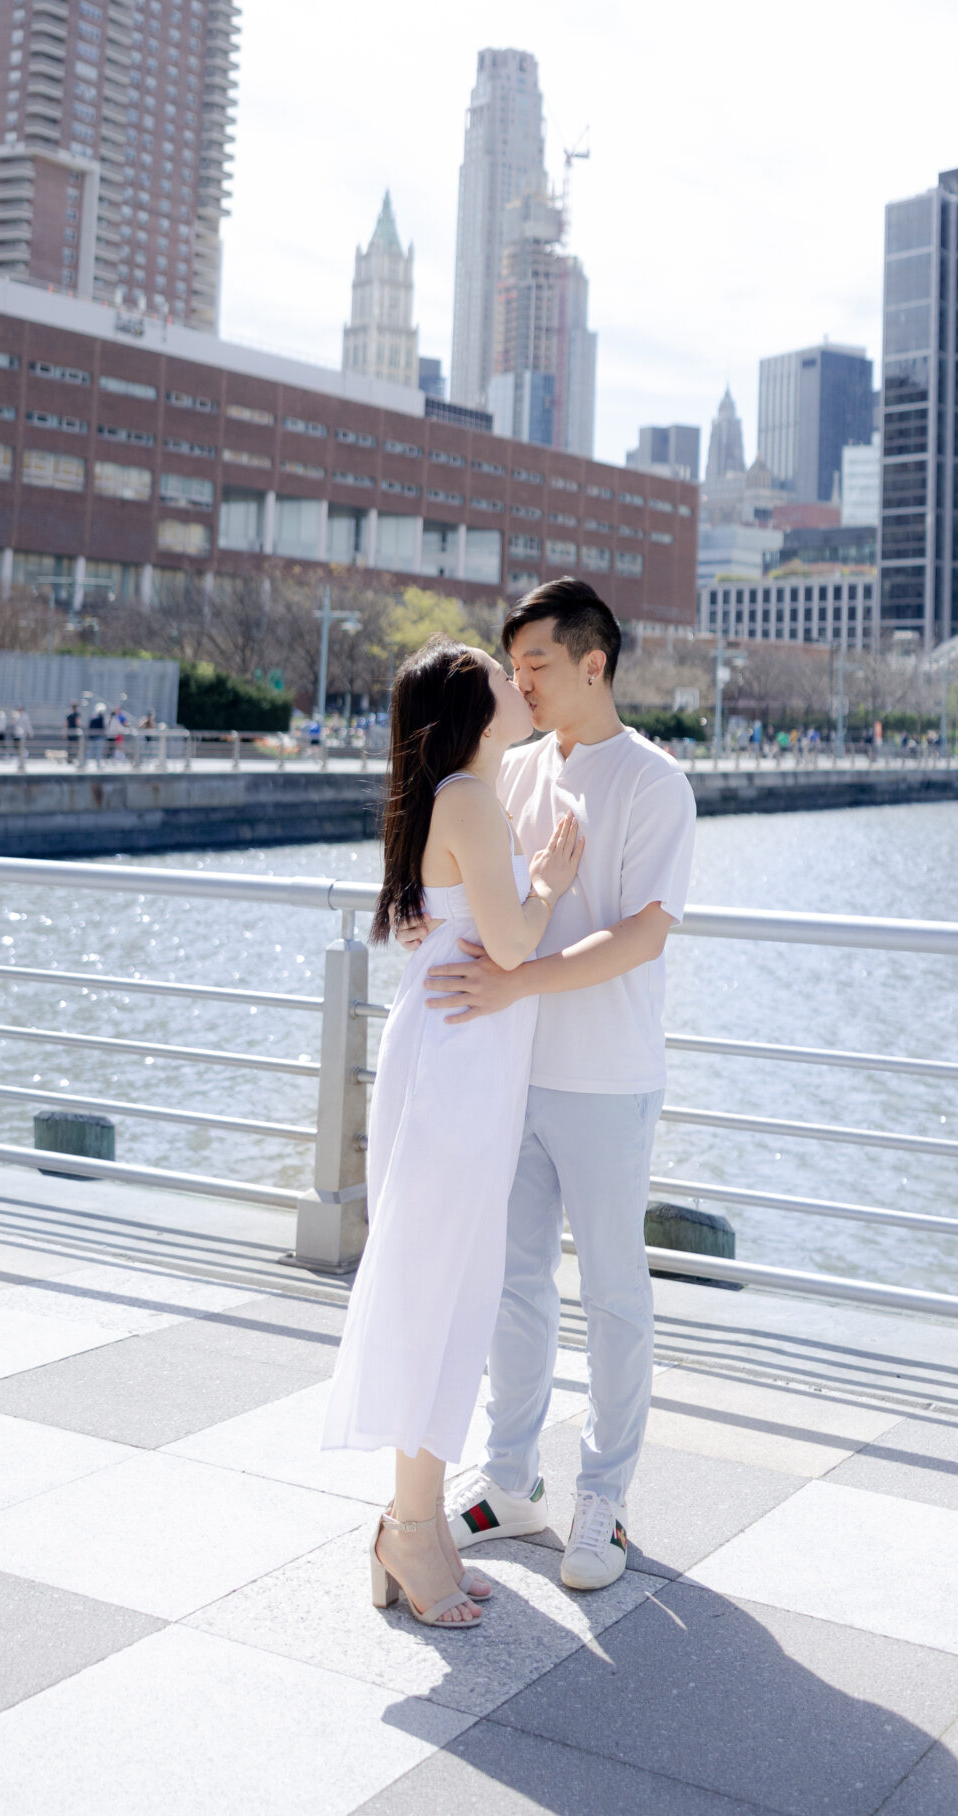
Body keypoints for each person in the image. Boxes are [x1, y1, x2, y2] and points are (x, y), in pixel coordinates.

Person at [414, 576, 696, 1594]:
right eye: (512, 663)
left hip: (607, 1077)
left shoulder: (655, 781)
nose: (519, 678)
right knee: (512, 1281)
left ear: (594, 661)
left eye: (535, 661)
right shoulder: (507, 772)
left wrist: (521, 977)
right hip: (506, 1071)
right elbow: (469, 891)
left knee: (615, 1291)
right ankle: (510, 1479)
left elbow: (643, 933)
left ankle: (605, 1499)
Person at [320, 634, 585, 1628]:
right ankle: (411, 1528)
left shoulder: (470, 798)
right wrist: (551, 879)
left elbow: (478, 929)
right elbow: (514, 940)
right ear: (471, 713)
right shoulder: (471, 801)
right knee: (438, 1297)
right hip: (454, 1077)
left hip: (461, 1067)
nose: (521, 685)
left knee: (448, 1294)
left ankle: (412, 1525)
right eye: (497, 674)